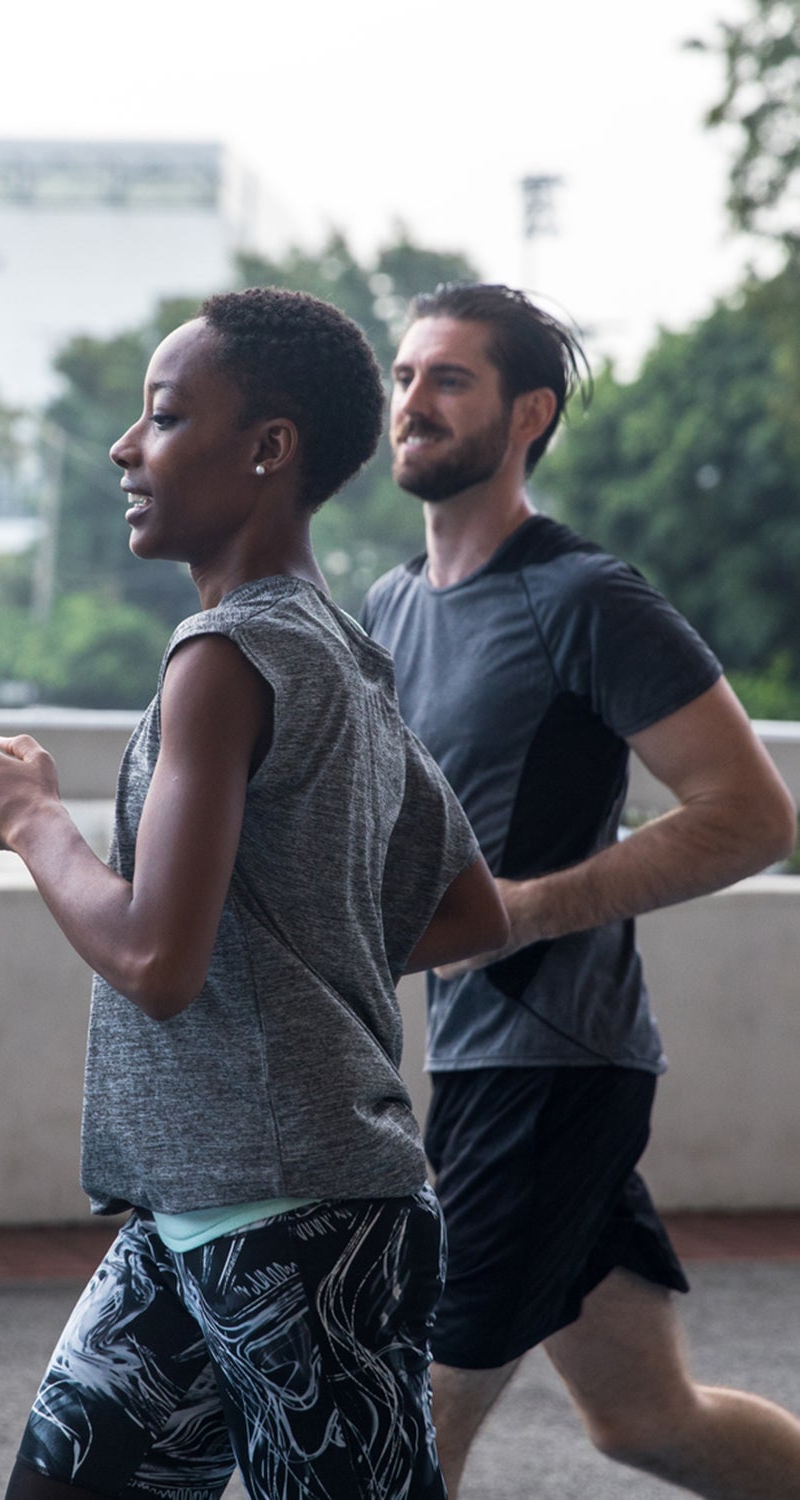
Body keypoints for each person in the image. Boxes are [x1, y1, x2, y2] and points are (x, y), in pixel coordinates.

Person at [0, 287, 510, 1500]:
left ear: (269, 447)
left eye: (161, 418)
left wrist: (32, 821)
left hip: (303, 1224)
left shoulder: (224, 660)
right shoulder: (345, 651)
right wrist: (303, 951)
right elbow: (471, 911)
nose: (125, 449)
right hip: (197, 1209)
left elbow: (160, 961)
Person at [361, 282, 800, 1498]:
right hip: (480, 1063)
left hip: (552, 1064)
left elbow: (752, 814)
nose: (414, 404)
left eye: (450, 380)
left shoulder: (583, 597)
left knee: (410, 1424)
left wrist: (527, 908)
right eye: (405, 378)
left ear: (526, 414)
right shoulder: (391, 608)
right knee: (647, 1419)